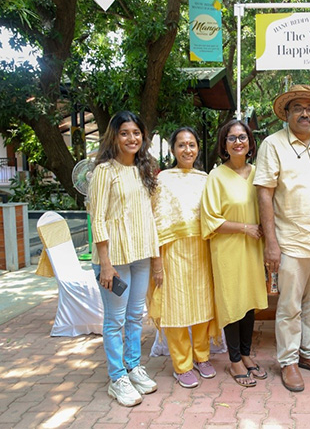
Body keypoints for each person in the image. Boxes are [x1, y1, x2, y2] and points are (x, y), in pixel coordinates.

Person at [254, 84, 310, 392]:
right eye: (298, 108)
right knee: (290, 305)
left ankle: (309, 354)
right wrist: (271, 242)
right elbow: (264, 195)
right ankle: (289, 361)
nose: (305, 113)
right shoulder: (273, 144)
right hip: (291, 241)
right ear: (287, 113)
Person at [89, 110, 160, 407]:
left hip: (141, 254)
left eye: (136, 133)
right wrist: (105, 263)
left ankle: (133, 367)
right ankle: (117, 377)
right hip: (114, 258)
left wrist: (156, 259)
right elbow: (97, 218)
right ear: (114, 137)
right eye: (124, 133)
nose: (131, 138)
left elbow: (152, 217)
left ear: (143, 136)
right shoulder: (105, 171)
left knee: (135, 317)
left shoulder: (145, 169)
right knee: (115, 320)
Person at [148, 127, 220, 389]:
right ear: (172, 150)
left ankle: (202, 356)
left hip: (202, 249)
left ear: (198, 148)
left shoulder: (206, 179)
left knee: (202, 305)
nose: (187, 150)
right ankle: (182, 364)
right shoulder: (162, 180)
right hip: (173, 251)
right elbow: (154, 222)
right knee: (176, 307)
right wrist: (156, 261)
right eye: (181, 145)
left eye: (192, 144)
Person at [201, 119, 268, 388]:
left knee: (249, 301)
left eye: (242, 137)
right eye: (232, 138)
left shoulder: (259, 174)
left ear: (251, 143)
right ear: (224, 144)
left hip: (253, 248)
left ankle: (247, 353)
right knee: (232, 303)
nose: (238, 142)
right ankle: (235, 359)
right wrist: (245, 228)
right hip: (228, 248)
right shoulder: (216, 176)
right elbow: (210, 219)